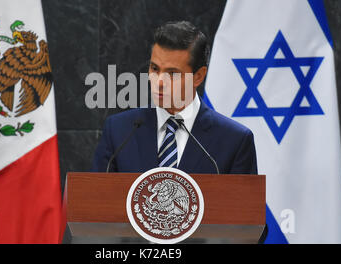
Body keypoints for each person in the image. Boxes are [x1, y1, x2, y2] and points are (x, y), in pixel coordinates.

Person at [91, 21, 257, 174]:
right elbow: (96, 200)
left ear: (198, 76)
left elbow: (242, 205)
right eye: (155, 69)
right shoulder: (119, 131)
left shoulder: (234, 141)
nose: (159, 82)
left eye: (172, 73)